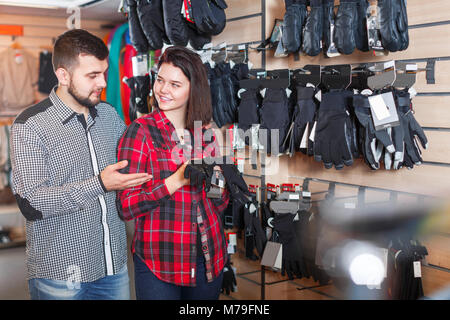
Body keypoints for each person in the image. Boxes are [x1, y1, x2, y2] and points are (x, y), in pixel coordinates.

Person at [9, 29, 152, 300]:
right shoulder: (31, 125)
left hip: (113, 267)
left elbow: (135, 163)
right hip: (61, 274)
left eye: (104, 72)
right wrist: (99, 184)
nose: (102, 82)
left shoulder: (109, 115)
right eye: (92, 75)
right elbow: (31, 203)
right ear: (63, 75)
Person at [117, 46, 230, 300]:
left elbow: (220, 203)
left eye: (175, 84)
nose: (162, 90)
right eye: (160, 80)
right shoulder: (140, 132)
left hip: (209, 256)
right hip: (161, 260)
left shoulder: (205, 132)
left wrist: (218, 174)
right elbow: (126, 207)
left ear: (193, 89)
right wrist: (175, 181)